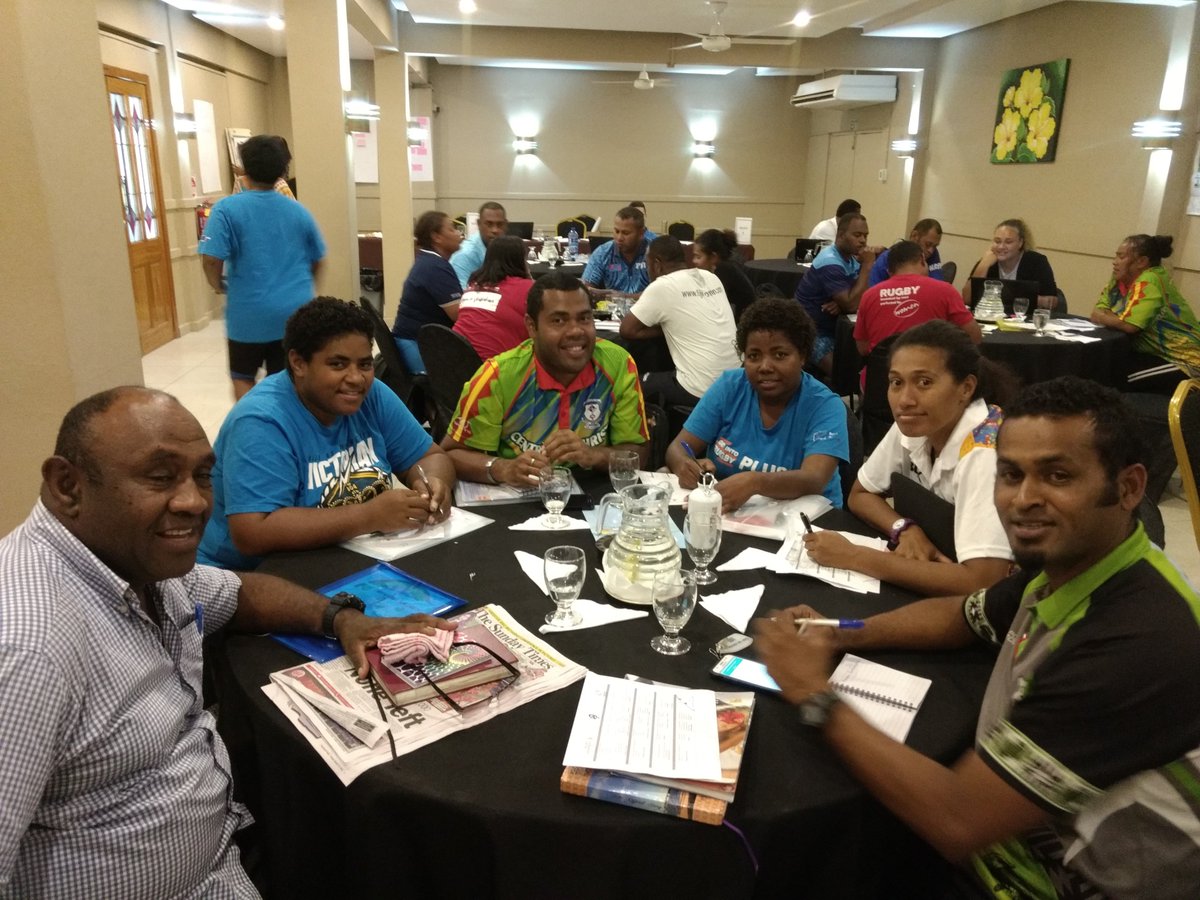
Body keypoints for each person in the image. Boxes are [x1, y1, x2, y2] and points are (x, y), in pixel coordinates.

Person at [0, 386, 453, 898]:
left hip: (227, 853)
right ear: (67, 486)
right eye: (160, 477)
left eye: (200, 476)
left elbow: (238, 594)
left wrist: (339, 619)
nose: (194, 502)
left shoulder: (137, 561)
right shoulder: (28, 647)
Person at [758, 376, 1200, 900]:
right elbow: (964, 616)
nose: (1023, 499)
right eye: (1010, 474)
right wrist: (840, 632)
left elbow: (955, 819)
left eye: (1057, 475)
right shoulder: (1078, 566)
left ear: (1128, 488)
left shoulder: (1136, 641)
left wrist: (813, 694)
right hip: (1016, 841)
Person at [199, 297, 455, 571]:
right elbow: (253, 532)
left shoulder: (372, 395)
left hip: (342, 556)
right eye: (338, 364)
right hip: (248, 575)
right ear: (298, 363)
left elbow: (430, 456)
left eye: (365, 364)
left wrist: (434, 485)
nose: (356, 378)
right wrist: (368, 516)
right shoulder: (261, 421)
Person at [804, 321, 1016, 596]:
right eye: (896, 382)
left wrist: (855, 557)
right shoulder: (918, 422)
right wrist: (903, 528)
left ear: (966, 388)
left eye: (924, 382)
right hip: (940, 572)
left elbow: (981, 583)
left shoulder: (985, 455)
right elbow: (860, 494)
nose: (904, 399)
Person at [442, 270, 649, 487]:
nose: (576, 331)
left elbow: (637, 455)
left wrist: (591, 455)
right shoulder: (497, 376)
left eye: (584, 318)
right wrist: (503, 468)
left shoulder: (618, 364)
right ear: (532, 326)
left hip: (593, 500)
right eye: (559, 320)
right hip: (519, 501)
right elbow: (452, 453)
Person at [665, 297, 848, 512]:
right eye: (754, 356)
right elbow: (677, 448)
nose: (765, 366)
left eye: (780, 355)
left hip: (807, 522)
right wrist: (685, 466)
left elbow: (814, 478)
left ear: (803, 356)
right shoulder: (729, 386)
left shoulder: (824, 405)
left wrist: (756, 483)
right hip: (733, 516)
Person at [200, 134, 326, 399]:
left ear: (244, 167)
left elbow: (212, 259)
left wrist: (218, 285)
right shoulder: (298, 211)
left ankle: (253, 428)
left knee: (243, 378)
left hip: (248, 312)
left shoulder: (226, 209)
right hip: (294, 312)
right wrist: (302, 288)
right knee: (287, 380)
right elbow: (318, 259)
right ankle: (285, 430)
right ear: (282, 169)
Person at [619, 235, 740, 409]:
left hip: (699, 389)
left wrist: (665, 328)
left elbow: (627, 330)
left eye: (648, 265)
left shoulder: (662, 286)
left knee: (629, 384)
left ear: (657, 264)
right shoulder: (710, 277)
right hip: (736, 383)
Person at [1091, 233, 1200, 394]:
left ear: (1141, 262)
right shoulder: (1120, 278)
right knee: (1099, 367)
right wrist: (1109, 317)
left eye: (1121, 257)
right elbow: (1099, 310)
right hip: (1151, 354)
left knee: (1117, 379)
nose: (1115, 262)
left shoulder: (1150, 280)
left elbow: (1129, 325)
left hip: (1184, 362)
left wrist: (1104, 317)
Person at [794, 212, 885, 374]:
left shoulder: (849, 259)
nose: (863, 240)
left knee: (870, 358)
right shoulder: (830, 261)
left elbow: (864, 292)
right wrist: (868, 265)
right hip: (811, 332)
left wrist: (841, 303)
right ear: (841, 235)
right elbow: (852, 303)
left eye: (865, 235)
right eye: (857, 235)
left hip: (836, 329)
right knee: (841, 374)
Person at [855, 240, 980, 356]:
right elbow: (974, 337)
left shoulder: (869, 296)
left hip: (881, 376)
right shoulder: (945, 290)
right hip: (928, 375)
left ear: (889, 271)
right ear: (922, 260)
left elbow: (862, 348)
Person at [390, 210, 464, 374]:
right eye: (452, 229)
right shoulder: (435, 267)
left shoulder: (428, 261)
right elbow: (458, 315)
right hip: (417, 345)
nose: (458, 233)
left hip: (414, 341)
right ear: (436, 237)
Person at [452, 235, 534, 361]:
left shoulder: (474, 284)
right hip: (496, 369)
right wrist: (528, 276)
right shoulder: (527, 288)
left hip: (456, 361)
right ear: (521, 260)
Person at [964, 218, 1057, 309]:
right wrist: (983, 265)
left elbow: (1052, 302)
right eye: (997, 241)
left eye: (1008, 242)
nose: (1001, 247)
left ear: (1020, 243)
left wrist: (1014, 299)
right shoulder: (988, 260)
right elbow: (966, 299)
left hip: (1025, 319)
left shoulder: (1037, 262)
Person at [581, 205, 651, 295]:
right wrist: (609, 293)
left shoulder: (654, 253)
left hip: (645, 307)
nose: (619, 238)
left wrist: (622, 297)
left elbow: (662, 292)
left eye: (626, 233)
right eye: (617, 231)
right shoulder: (603, 253)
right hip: (611, 307)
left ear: (641, 233)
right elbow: (585, 289)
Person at [693, 228, 756, 321]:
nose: (694, 261)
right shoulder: (725, 266)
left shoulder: (724, 270)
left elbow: (715, 307)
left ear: (714, 257)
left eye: (698, 257)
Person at [867, 218, 946, 286]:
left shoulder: (933, 254)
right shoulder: (887, 258)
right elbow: (872, 290)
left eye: (935, 246)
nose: (931, 251)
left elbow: (938, 286)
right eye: (928, 244)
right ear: (914, 236)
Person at [449, 201, 508, 289]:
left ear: (506, 224)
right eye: (489, 224)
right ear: (479, 224)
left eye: (500, 224)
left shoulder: (507, 248)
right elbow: (462, 295)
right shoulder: (464, 254)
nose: (495, 230)